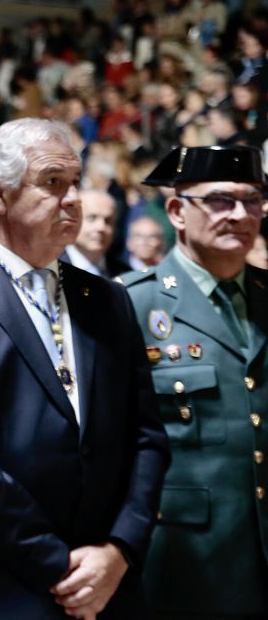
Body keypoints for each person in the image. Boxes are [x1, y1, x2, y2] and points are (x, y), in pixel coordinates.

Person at [0, 118, 170, 618]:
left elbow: (148, 436)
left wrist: (120, 550)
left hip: (108, 579)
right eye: (52, 183)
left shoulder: (108, 300)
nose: (72, 200)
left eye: (75, 184)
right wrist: (56, 563)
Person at [120, 145, 268, 617]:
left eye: (254, 200)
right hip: (181, 557)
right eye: (221, 200)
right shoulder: (131, 305)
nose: (241, 214)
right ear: (178, 212)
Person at [64, 189, 131, 278]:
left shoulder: (125, 274)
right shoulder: (51, 270)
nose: (101, 227)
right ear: (72, 221)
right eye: (92, 218)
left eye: (108, 221)